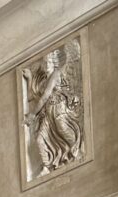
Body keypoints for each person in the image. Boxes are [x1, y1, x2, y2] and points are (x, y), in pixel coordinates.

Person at [22, 46, 82, 177]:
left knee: (64, 131)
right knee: (40, 139)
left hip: (58, 110)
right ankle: (46, 166)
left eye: (49, 62)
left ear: (55, 62)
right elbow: (32, 96)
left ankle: (77, 151)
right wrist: (30, 78)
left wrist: (32, 114)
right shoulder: (44, 81)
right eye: (45, 63)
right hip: (48, 115)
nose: (46, 65)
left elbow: (44, 97)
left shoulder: (56, 74)